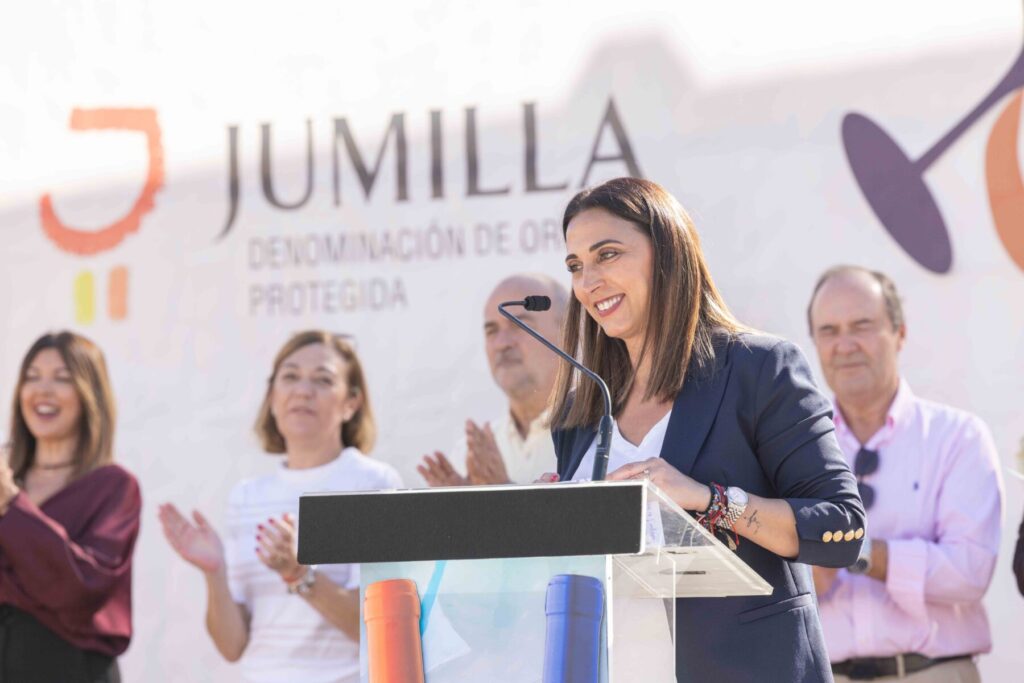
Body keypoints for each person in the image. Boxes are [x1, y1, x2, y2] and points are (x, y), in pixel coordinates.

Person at [546, 177, 865, 682]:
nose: (588, 282)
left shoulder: (758, 370)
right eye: (575, 265)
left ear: (667, 252)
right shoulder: (580, 411)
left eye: (607, 254)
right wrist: (548, 519)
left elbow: (842, 528)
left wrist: (708, 500)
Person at [159, 331, 402, 683]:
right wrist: (214, 573)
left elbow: (375, 629)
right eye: (290, 376)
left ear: (351, 403)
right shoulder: (246, 497)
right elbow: (232, 646)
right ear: (272, 396)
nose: (303, 391)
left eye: (323, 380)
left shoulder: (373, 483)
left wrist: (299, 575)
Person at [807, 265, 1002, 683]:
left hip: (933, 673)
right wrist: (805, 572)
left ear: (900, 333)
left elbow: (969, 571)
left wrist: (856, 551)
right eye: (829, 331)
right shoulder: (793, 444)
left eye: (862, 326)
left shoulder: (958, 437)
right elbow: (773, 578)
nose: (845, 345)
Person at [0, 331, 141, 683]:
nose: (43, 390)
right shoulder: (9, 475)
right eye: (32, 377)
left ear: (90, 394)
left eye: (62, 379)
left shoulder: (113, 487)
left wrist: (12, 505)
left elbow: (82, 587)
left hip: (71, 668)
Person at [418, 274, 568, 486]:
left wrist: (499, 491)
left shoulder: (599, 437)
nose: (501, 343)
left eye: (519, 325)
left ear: (567, 335)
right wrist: (461, 502)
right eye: (492, 330)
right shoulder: (473, 456)